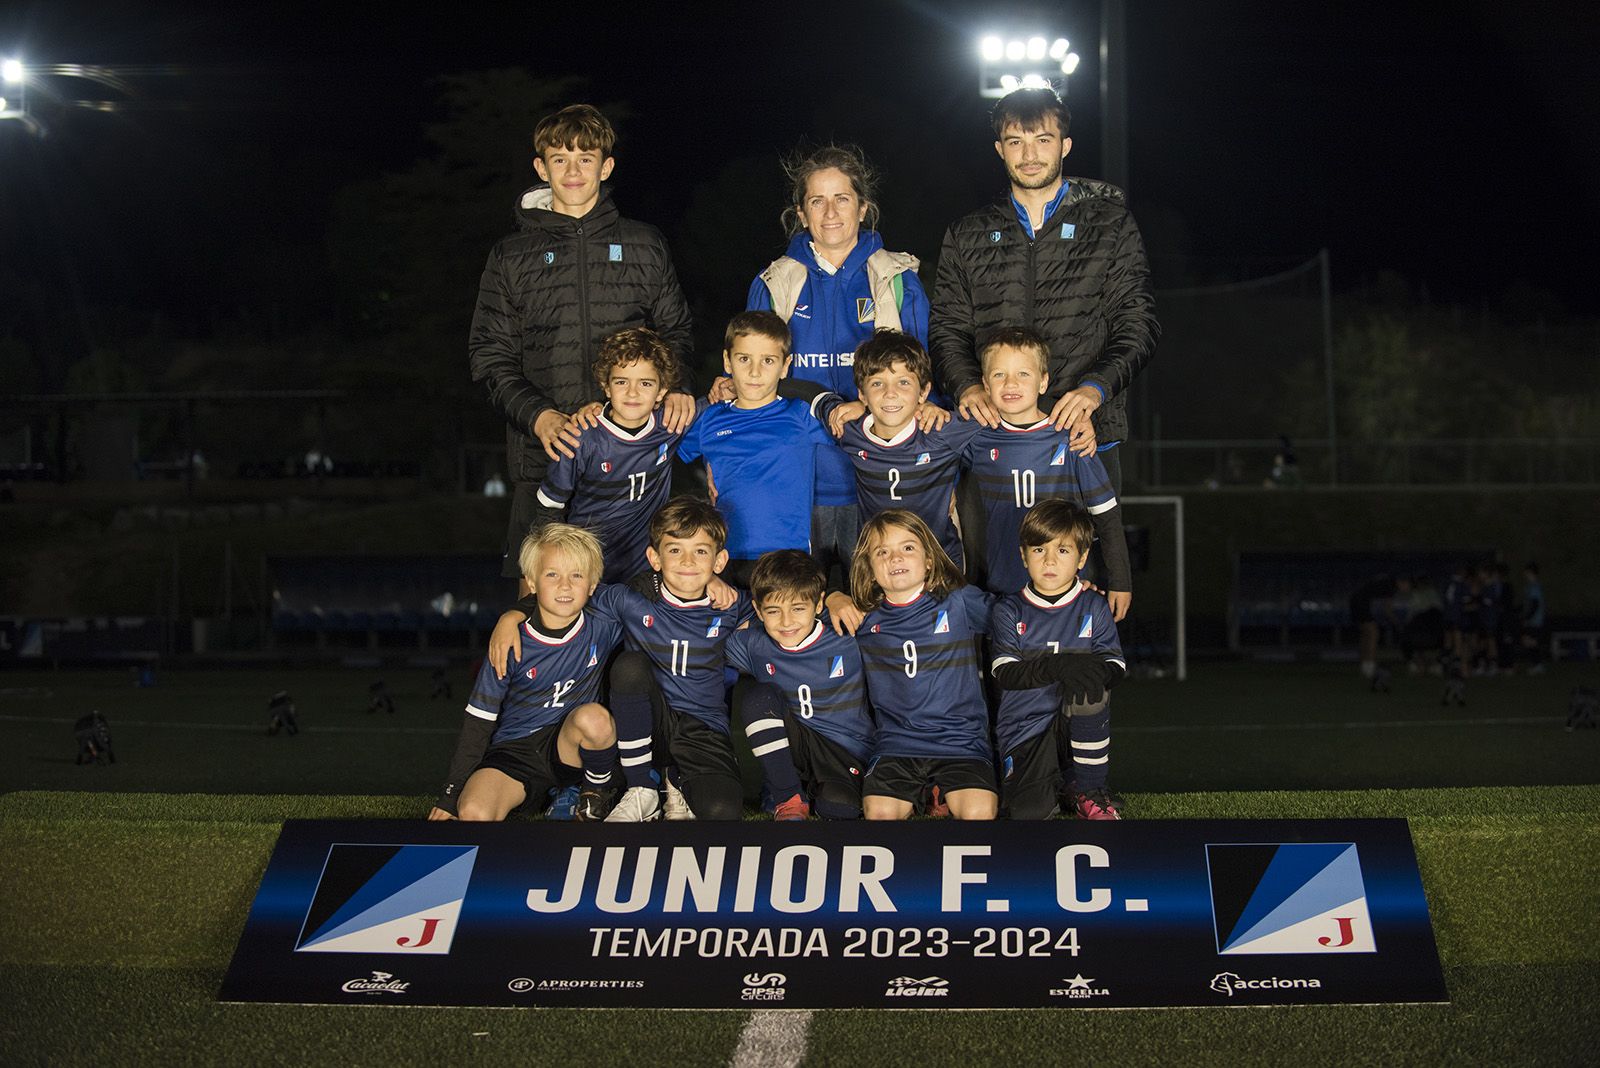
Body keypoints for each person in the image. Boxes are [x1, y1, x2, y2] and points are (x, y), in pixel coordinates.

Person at [468, 103, 695, 594]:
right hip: (545, 458)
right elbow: (489, 356)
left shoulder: (644, 243)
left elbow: (675, 332)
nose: (573, 171)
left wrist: (678, 387)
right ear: (541, 167)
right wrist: (539, 417)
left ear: (606, 166)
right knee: (541, 617)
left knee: (634, 622)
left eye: (586, 158)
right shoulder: (510, 255)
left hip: (633, 470)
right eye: (560, 159)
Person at [929, 86, 1159, 497]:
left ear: (1065, 145)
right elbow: (947, 329)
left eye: (1043, 140)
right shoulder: (967, 233)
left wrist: (1095, 388)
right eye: (1016, 141)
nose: (1030, 154)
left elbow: (1138, 324)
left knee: (1087, 560)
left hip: (1084, 437)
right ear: (1000, 148)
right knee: (994, 562)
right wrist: (967, 386)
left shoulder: (1111, 225)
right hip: (995, 438)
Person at [741, 144, 933, 588]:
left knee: (875, 613)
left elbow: (922, 382)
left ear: (863, 208)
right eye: (817, 201)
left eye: (842, 198)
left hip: (877, 483)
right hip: (796, 488)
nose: (830, 212)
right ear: (801, 213)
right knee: (798, 616)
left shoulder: (898, 279)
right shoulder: (774, 283)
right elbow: (754, 384)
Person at [491, 498, 752, 822]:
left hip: (703, 729)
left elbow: (788, 605)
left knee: (721, 811)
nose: (687, 561)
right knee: (630, 666)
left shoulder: (734, 603)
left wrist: (834, 597)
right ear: (654, 558)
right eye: (674, 550)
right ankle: (642, 788)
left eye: (700, 551)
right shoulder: (630, 598)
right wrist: (514, 614)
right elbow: (568, 594)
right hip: (646, 725)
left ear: (719, 560)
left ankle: (676, 780)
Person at [429, 524, 625, 823]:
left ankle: (591, 792)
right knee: (473, 813)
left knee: (595, 720)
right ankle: (537, 798)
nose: (565, 586)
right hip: (515, 752)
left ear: (593, 584)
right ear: (532, 583)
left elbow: (654, 593)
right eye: (552, 575)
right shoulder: (510, 641)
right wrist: (450, 795)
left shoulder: (604, 623)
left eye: (576, 575)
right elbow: (479, 722)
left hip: (567, 748)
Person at [832, 509, 998, 821]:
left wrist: (1074, 595)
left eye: (908, 548)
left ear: (929, 560)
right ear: (868, 569)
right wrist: (831, 597)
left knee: (979, 813)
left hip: (961, 741)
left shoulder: (958, 601)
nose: (895, 558)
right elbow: (796, 622)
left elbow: (1017, 618)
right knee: (879, 814)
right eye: (882, 552)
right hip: (897, 743)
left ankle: (936, 790)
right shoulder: (862, 618)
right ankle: (929, 792)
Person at [961, 328, 1131, 615]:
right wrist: (927, 411)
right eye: (999, 375)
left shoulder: (1072, 435)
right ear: (985, 386)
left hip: (1069, 592)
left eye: (1023, 374)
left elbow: (1106, 514)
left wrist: (1121, 581)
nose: (1011, 383)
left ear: (1043, 382)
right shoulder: (973, 437)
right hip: (1004, 592)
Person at [529, 328, 704, 583]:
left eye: (645, 383)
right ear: (606, 387)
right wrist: (559, 566)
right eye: (622, 381)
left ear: (662, 390)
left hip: (643, 571)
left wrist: (726, 387)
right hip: (587, 571)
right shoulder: (580, 437)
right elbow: (549, 508)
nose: (632, 393)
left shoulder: (670, 423)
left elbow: (724, 407)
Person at [678, 311, 840, 587]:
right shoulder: (709, 419)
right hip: (723, 558)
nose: (755, 372)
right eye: (744, 359)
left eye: (768, 361)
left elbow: (859, 430)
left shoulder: (801, 415)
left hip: (789, 557)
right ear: (727, 361)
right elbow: (661, 457)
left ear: (785, 366)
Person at [990, 500, 1127, 820]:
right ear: (1023, 555)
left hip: (1073, 723)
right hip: (1025, 727)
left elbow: (1116, 666)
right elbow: (1006, 673)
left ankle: (1090, 789)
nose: (1050, 560)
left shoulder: (1094, 606)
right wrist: (1061, 664)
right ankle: (1060, 784)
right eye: (1039, 550)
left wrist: (1093, 671)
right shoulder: (1008, 610)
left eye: (1063, 551)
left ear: (1082, 558)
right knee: (1031, 813)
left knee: (1091, 685)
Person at [725, 550, 875, 821]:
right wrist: (715, 585)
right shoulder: (751, 643)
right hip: (793, 748)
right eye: (773, 611)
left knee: (839, 808)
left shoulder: (848, 633)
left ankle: (812, 791)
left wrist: (836, 595)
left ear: (818, 604)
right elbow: (706, 624)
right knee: (759, 697)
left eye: (797, 608)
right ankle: (786, 795)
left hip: (841, 750)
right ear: (758, 610)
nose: (786, 622)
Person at [1520, 562, 1547, 674]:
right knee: (1528, 641)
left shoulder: (1535, 586)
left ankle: (1538, 665)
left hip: (1535, 620)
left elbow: (1535, 604)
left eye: (1526, 571)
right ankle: (1536, 664)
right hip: (1532, 619)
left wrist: (1527, 617)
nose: (1525, 574)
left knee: (1531, 641)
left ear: (1530, 572)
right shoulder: (1530, 586)